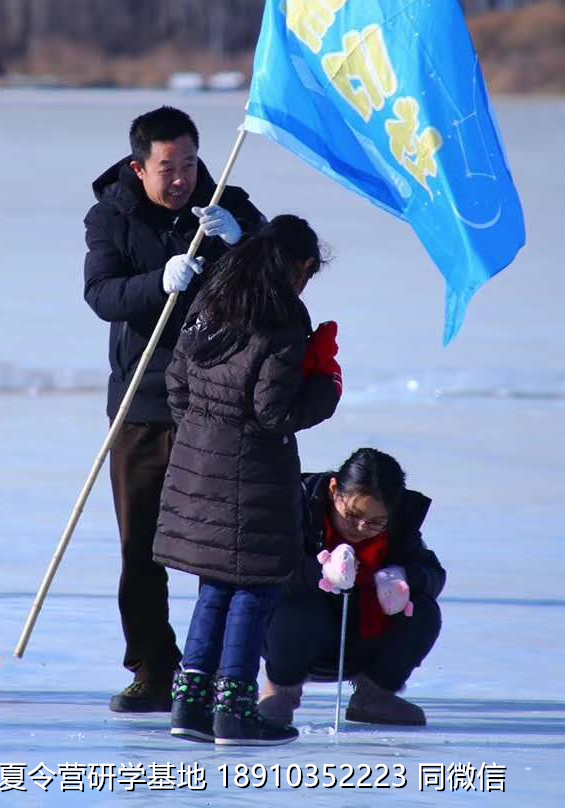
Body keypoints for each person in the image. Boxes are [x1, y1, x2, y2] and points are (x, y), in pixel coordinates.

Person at [85, 106, 264, 713]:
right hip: (143, 400)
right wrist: (157, 281)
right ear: (140, 168)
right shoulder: (110, 216)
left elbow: (279, 281)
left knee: (222, 545)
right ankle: (153, 669)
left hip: (217, 403)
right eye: (168, 167)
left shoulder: (228, 204)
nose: (182, 177)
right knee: (141, 547)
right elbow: (101, 294)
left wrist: (241, 244)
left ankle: (214, 670)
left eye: (189, 163)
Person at [152, 214, 340, 746]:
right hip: (253, 473)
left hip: (196, 464)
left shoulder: (212, 300)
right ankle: (234, 709)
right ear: (301, 267)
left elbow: (176, 383)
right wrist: (326, 380)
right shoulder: (283, 316)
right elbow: (273, 411)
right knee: (254, 589)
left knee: (215, 586)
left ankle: (190, 706)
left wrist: (201, 434)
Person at [260, 447, 446, 728]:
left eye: (375, 522)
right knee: (297, 608)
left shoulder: (399, 527)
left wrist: (404, 578)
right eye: (352, 514)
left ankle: (374, 695)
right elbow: (265, 571)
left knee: (423, 612)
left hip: (361, 639)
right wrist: (319, 572)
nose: (360, 527)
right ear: (335, 490)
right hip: (298, 637)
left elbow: (433, 574)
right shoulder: (296, 506)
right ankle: (280, 692)